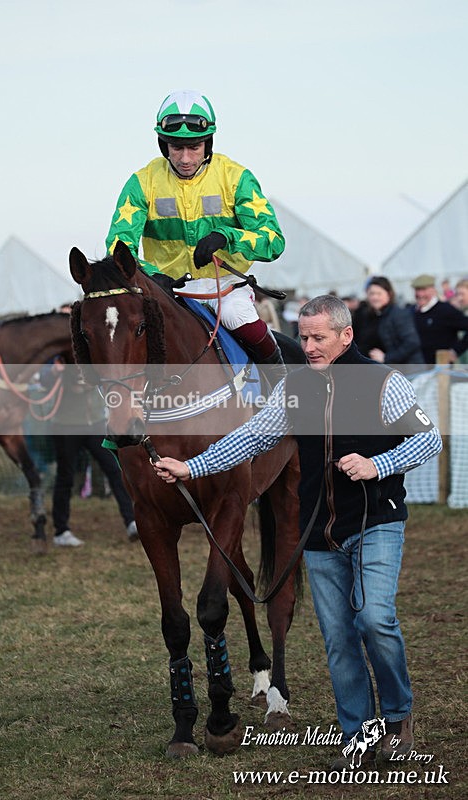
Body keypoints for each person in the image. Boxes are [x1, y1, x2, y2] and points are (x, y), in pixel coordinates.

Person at [151, 294, 442, 769]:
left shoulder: (383, 383)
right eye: (303, 337)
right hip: (319, 534)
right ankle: (359, 733)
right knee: (338, 638)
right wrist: (191, 467)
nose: (307, 346)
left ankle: (397, 715)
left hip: (376, 523)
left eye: (318, 338)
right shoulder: (295, 389)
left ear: (345, 336)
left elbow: (427, 439)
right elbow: (251, 437)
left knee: (374, 621)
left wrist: (377, 464)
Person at [105, 89, 287, 383]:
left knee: (238, 318)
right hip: (167, 291)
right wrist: (151, 276)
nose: (186, 158)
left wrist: (226, 236)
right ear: (163, 145)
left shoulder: (236, 177)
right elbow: (118, 244)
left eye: (195, 147)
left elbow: (273, 240)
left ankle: (281, 384)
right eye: (176, 148)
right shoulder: (141, 182)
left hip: (224, 288)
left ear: (208, 143)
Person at [42, 357, 138, 547]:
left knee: (114, 470)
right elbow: (42, 378)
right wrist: (54, 371)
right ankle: (61, 531)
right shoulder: (58, 355)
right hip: (65, 426)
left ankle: (132, 521)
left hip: (94, 424)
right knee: (65, 477)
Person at [353, 276, 424, 370]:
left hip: (408, 370)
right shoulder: (368, 316)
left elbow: (412, 343)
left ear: (389, 294)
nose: (375, 297)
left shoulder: (398, 314)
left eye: (379, 294)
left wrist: (387, 357)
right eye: (371, 294)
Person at [411, 273, 468, 364]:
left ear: (433, 290)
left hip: (442, 370)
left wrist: (456, 351)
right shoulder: (411, 312)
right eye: (417, 290)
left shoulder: (446, 310)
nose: (420, 294)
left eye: (424, 290)